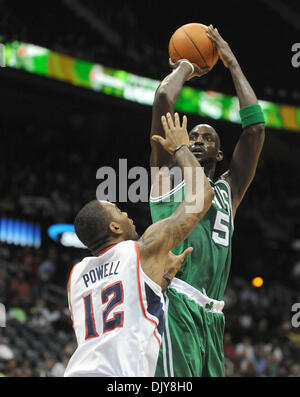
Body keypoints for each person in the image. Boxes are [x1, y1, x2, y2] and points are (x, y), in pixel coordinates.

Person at [149, 25, 265, 377]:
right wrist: (186, 65)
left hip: (213, 317)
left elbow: (256, 128)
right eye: (193, 134)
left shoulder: (229, 190)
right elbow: (163, 100)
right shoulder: (167, 175)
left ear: (220, 152)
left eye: (207, 137)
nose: (197, 139)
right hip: (176, 301)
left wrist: (232, 63)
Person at [64, 113, 214, 377]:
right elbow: (203, 196)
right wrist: (181, 148)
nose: (126, 213)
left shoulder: (76, 276)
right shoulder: (142, 249)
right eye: (118, 211)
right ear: (115, 227)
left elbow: (119, 304)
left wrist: (160, 281)